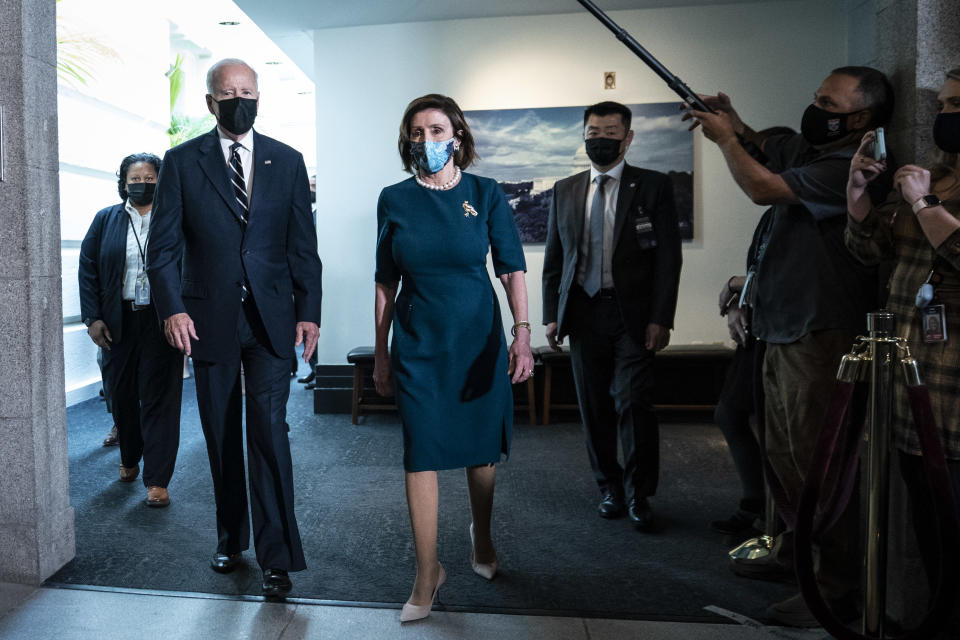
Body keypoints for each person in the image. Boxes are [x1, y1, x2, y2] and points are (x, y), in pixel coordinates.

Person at [686, 66, 894, 626]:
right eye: (816, 95)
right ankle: (796, 555)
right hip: (785, 329)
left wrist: (726, 138)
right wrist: (736, 123)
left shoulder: (852, 168)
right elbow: (772, 145)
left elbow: (762, 186)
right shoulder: (813, 150)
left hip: (822, 335)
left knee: (819, 465)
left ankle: (831, 585)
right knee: (785, 461)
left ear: (861, 117)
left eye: (828, 102)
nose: (816, 106)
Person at [146, 58, 323, 600]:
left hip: (271, 322)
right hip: (207, 323)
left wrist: (309, 311)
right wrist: (172, 308)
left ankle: (277, 558)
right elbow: (164, 247)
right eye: (228, 92)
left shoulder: (287, 161)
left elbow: (302, 247)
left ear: (259, 97)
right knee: (221, 434)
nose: (239, 99)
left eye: (247, 90)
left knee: (270, 436)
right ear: (209, 102)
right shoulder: (181, 162)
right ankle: (231, 537)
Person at [373, 94, 534, 623]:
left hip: (477, 338)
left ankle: (481, 536)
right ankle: (427, 572)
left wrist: (522, 335)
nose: (427, 141)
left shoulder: (486, 194)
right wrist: (381, 353)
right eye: (416, 132)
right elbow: (385, 281)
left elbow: (511, 269)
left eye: (437, 131)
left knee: (480, 448)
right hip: (418, 340)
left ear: (458, 137)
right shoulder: (393, 199)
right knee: (420, 450)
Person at [845, 67, 960, 636]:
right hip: (914, 387)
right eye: (944, 103)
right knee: (931, 533)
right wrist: (860, 194)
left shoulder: (929, 190)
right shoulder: (937, 176)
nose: (946, 115)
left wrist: (923, 203)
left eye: (956, 104)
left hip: (956, 392)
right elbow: (872, 249)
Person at [542, 101, 682, 532]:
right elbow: (555, 258)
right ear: (583, 136)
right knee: (594, 407)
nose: (600, 139)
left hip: (634, 316)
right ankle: (610, 488)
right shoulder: (565, 189)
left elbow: (668, 260)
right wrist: (552, 315)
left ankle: (640, 492)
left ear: (628, 137)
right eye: (592, 132)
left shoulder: (654, 186)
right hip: (583, 313)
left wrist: (662, 317)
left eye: (609, 131)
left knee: (634, 402)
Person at [78, 153, 183, 507]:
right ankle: (130, 454)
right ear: (123, 182)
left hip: (160, 318)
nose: (142, 183)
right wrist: (92, 318)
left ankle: (157, 479)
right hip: (116, 320)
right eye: (135, 178)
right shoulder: (105, 219)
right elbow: (87, 268)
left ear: (161, 181)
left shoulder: (174, 217)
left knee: (160, 398)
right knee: (120, 394)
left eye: (150, 178)